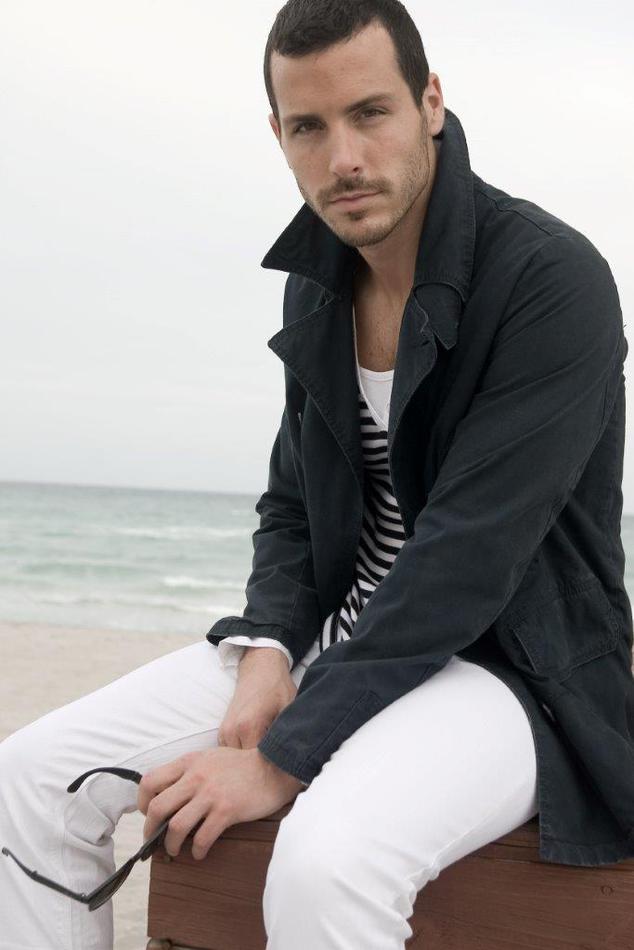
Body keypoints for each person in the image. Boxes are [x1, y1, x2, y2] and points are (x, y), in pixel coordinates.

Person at [1, 1, 633, 947]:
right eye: (309, 127)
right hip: (343, 638)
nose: (343, 159)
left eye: (370, 113)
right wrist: (265, 649)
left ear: (429, 102)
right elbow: (293, 503)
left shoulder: (550, 280)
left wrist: (282, 756)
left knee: (328, 862)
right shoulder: (320, 278)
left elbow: (470, 555)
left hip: (507, 670)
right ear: (278, 135)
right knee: (31, 779)